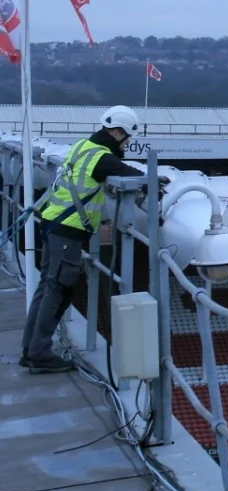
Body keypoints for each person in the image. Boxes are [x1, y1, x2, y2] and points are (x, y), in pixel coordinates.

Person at [20, 105, 145, 373]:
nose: (127, 143)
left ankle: (30, 349)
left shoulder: (82, 147)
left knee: (47, 287)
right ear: (115, 132)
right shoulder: (103, 158)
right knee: (58, 290)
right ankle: (40, 354)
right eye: (126, 137)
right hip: (68, 230)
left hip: (54, 225)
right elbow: (137, 176)